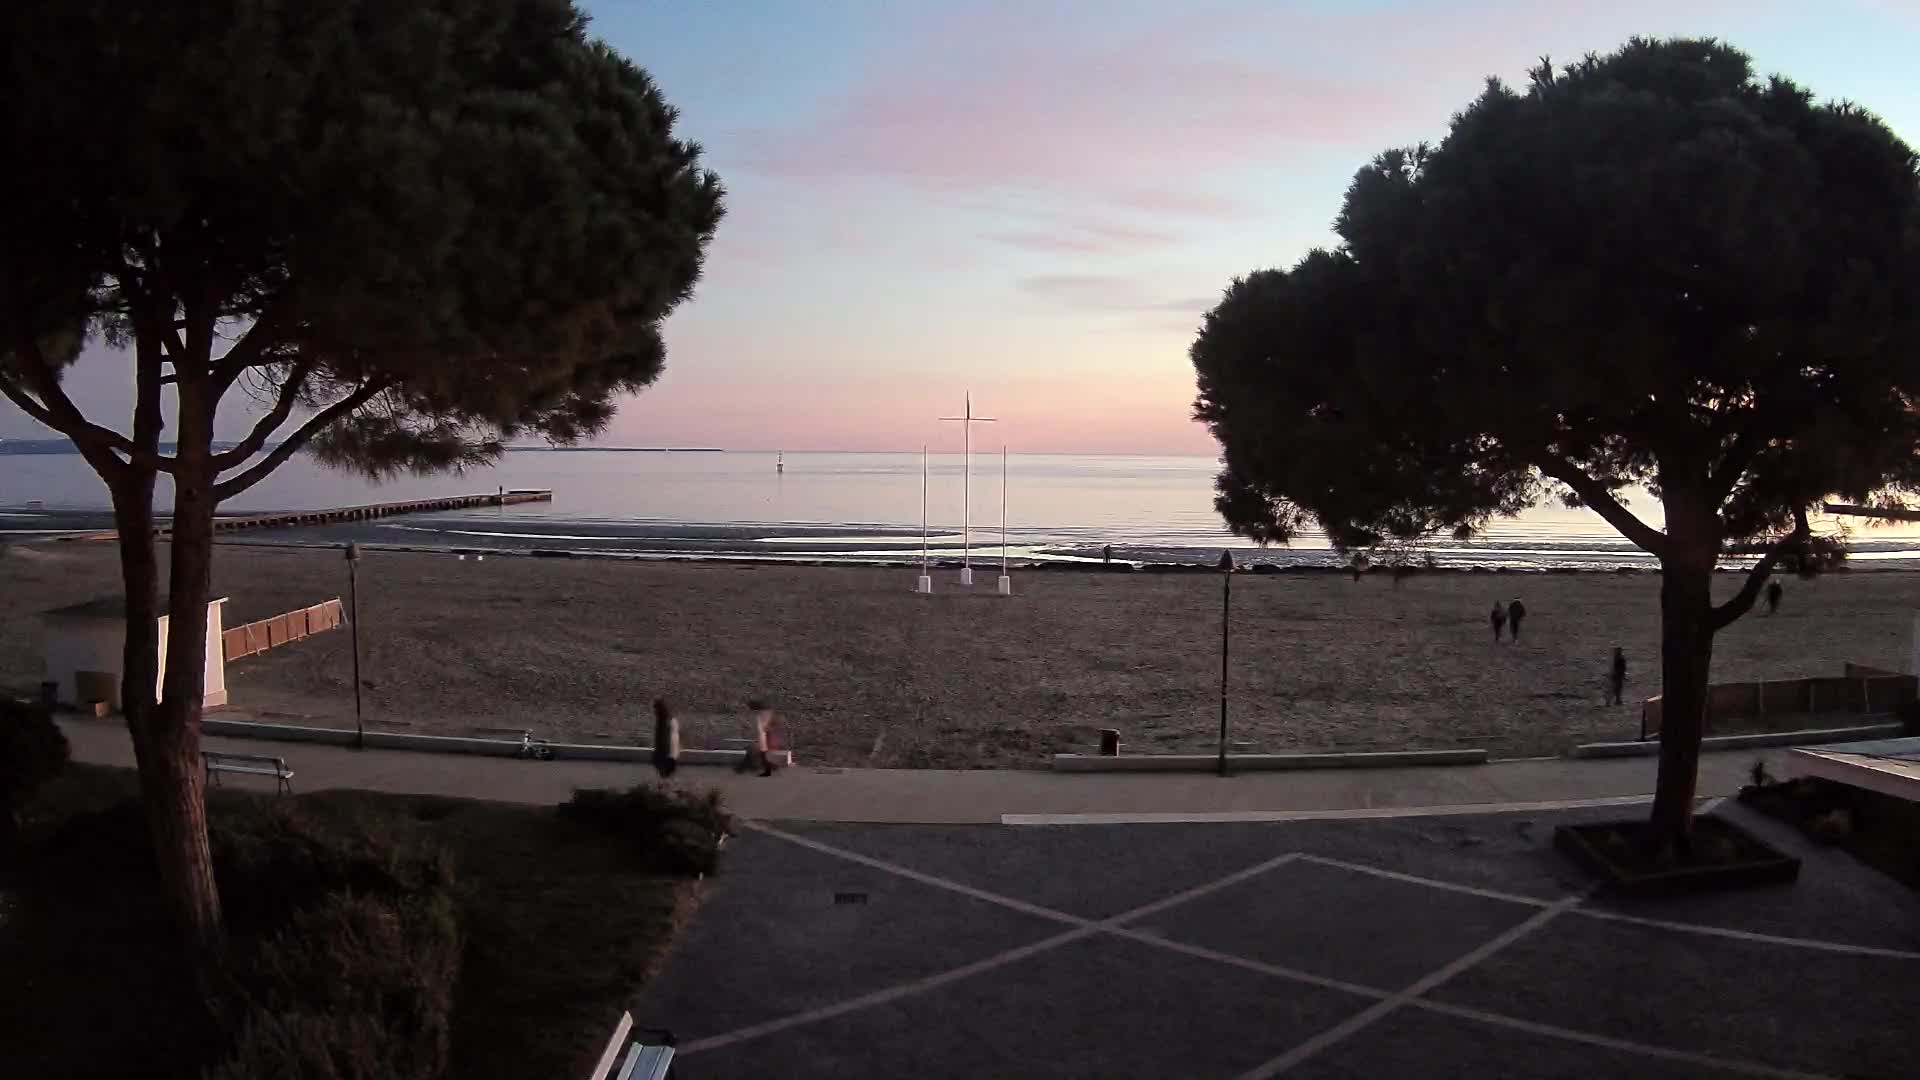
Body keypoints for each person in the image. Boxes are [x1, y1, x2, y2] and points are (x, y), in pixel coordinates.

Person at [737, 699, 783, 777]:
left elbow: (763, 728)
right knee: (761, 755)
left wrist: (760, 739)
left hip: (764, 739)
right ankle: (771, 768)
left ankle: (742, 769)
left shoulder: (763, 714)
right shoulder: (765, 713)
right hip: (764, 739)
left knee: (759, 754)